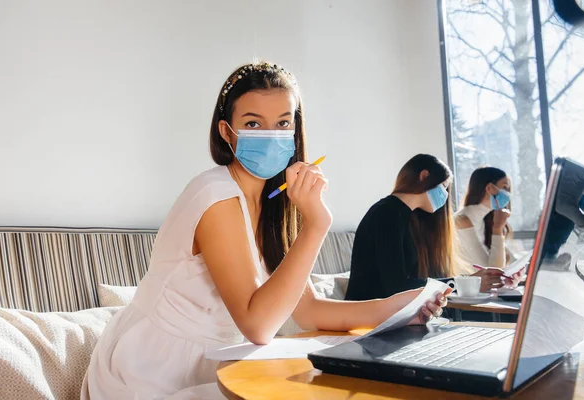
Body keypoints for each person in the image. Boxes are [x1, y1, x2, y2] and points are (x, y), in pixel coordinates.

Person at [82, 62, 450, 399]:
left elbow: (306, 311)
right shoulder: (215, 195)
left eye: (283, 123)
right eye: (254, 123)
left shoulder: (276, 203)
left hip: (220, 360)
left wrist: (404, 306)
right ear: (227, 132)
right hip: (152, 367)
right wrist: (317, 224)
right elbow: (259, 325)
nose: (271, 135)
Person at [345, 154, 508, 302]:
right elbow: (396, 287)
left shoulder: (406, 217)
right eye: (444, 187)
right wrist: (461, 285)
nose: (444, 195)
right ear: (424, 176)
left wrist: (463, 283)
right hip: (372, 316)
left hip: (392, 313)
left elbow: (416, 282)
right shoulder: (387, 214)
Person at [454, 167, 513, 274]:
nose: (508, 194)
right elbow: (492, 272)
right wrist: (498, 229)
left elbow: (510, 260)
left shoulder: (485, 220)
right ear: (489, 188)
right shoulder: (462, 220)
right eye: (505, 188)